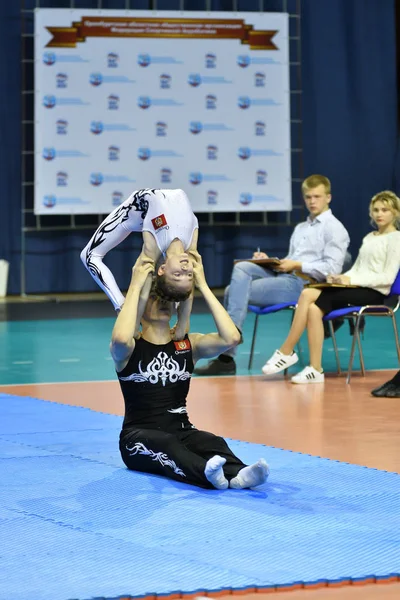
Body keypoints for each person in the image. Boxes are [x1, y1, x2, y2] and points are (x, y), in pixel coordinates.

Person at [110, 251, 270, 490]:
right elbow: (122, 335)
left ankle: (238, 475)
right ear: (140, 307)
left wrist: (203, 285)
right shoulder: (130, 349)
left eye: (165, 298)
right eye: (153, 298)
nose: (161, 302)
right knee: (167, 444)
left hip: (182, 431)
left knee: (211, 441)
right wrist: (135, 286)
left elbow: (232, 337)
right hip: (137, 441)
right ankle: (204, 474)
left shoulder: (187, 345)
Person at [194, 174, 350, 376]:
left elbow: (332, 269)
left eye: (317, 197)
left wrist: (297, 264)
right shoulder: (301, 228)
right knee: (242, 267)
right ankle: (229, 344)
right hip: (286, 276)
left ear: (328, 197)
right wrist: (270, 261)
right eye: (308, 197)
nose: (312, 201)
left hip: (306, 286)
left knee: (233, 291)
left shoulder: (335, 228)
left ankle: (227, 353)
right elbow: (291, 259)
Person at [262, 190, 400, 384]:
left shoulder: (396, 239)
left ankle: (286, 351)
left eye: (385, 210)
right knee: (311, 306)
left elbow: (387, 277)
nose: (379, 214)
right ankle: (315, 369)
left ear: (395, 212)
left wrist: (351, 282)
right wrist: (342, 277)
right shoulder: (370, 237)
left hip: (375, 293)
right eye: (376, 210)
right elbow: (358, 269)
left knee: (309, 293)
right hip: (357, 287)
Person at [80, 187, 198, 308]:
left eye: (178, 274)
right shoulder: (190, 246)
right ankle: (174, 302)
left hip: (132, 216)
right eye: (189, 275)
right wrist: (183, 323)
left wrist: (128, 310)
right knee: (179, 286)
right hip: (156, 215)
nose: (185, 268)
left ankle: (120, 306)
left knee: (88, 256)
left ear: (162, 269)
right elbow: (191, 284)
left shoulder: (153, 244)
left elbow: (141, 274)